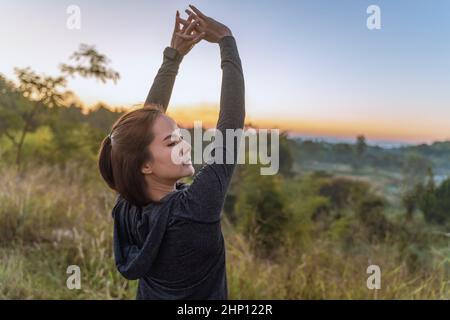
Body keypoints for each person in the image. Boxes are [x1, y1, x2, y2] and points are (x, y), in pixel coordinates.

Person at [97, 5, 245, 299]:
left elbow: (140, 131)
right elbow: (230, 127)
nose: (184, 146)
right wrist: (227, 41)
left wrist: (173, 58)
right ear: (146, 166)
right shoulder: (194, 209)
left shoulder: (128, 203)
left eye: (179, 137)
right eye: (171, 143)